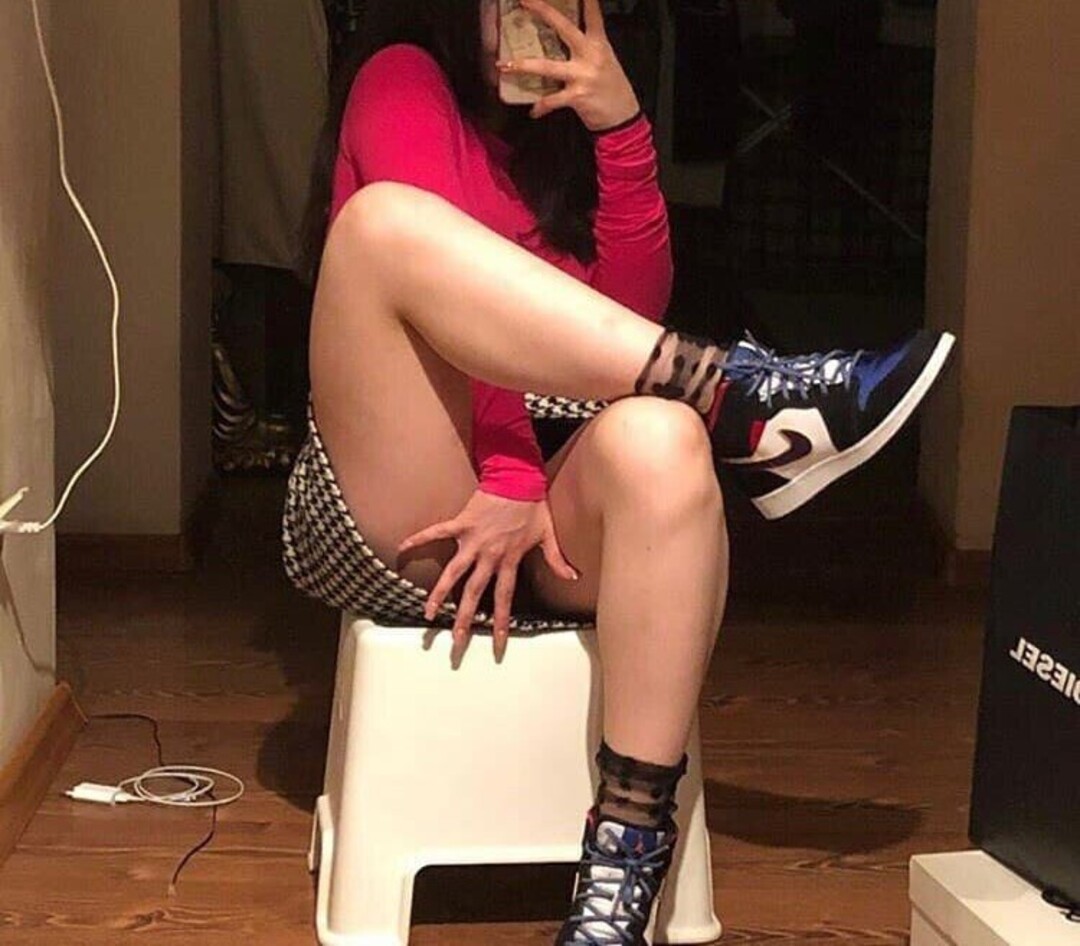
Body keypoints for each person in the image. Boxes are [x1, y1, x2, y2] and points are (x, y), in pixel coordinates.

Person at [284, 1, 954, 942]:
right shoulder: (402, 78)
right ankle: (742, 397)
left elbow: (628, 321)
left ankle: (620, 875)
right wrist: (510, 473)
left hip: (549, 488)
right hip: (409, 488)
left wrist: (619, 127)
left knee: (663, 437)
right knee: (384, 226)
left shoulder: (559, 133)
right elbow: (445, 318)